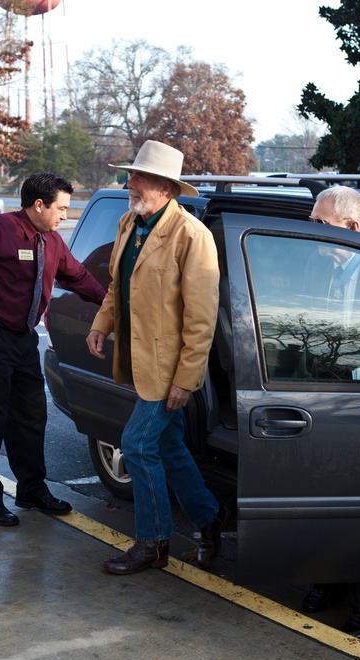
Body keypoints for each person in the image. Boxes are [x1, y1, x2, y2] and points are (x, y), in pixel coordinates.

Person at [0, 172, 106, 527]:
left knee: (30, 418)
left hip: (23, 341)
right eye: (61, 208)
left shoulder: (52, 241)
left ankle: (32, 490)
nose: (65, 216)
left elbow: (78, 277)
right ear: (39, 205)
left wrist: (111, 305)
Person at [86, 140, 227, 575]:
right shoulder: (130, 222)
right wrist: (100, 324)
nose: (129, 182)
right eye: (130, 174)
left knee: (137, 444)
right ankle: (209, 521)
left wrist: (186, 380)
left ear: (164, 187)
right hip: (138, 362)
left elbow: (202, 320)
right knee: (167, 445)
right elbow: (117, 285)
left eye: (138, 176)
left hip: (169, 370)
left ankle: (152, 542)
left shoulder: (192, 236)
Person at [300, 185, 360, 640]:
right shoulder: (323, 267)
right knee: (321, 497)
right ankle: (330, 578)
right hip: (325, 398)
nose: (311, 231)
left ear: (352, 228)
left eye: (320, 224)